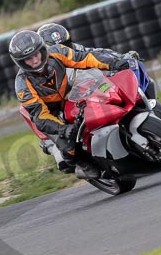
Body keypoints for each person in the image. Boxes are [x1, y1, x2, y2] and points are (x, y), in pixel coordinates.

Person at [10, 30, 132, 179]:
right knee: (68, 146)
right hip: (51, 114)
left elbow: (85, 58)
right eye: (28, 59)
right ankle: (83, 164)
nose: (35, 60)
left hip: (71, 94)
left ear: (42, 50)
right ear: (21, 62)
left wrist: (113, 63)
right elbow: (40, 116)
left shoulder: (56, 51)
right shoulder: (22, 84)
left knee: (105, 101)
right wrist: (62, 129)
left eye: (36, 54)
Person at [36, 22, 156, 99]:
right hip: (75, 102)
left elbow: (98, 53)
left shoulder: (76, 49)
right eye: (58, 48)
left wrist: (120, 57)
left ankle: (153, 111)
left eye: (66, 45)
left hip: (99, 86)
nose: (64, 50)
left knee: (142, 76)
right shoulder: (46, 70)